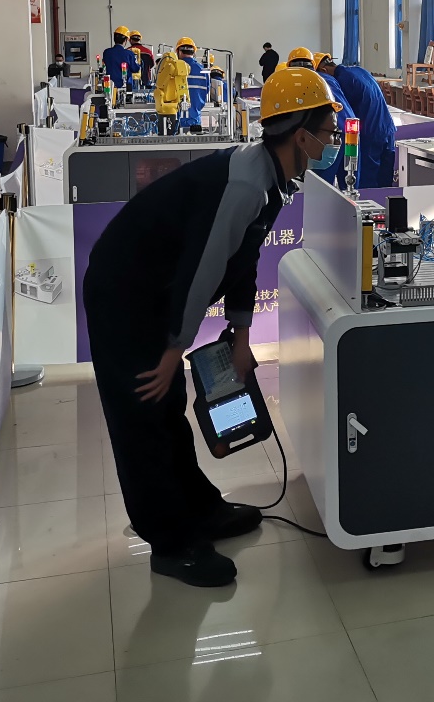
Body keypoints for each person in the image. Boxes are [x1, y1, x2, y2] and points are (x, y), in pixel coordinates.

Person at [83, 67, 341, 588]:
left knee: (168, 406)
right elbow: (200, 271)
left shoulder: (271, 178)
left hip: (155, 291)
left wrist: (241, 337)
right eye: (327, 131)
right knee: (142, 415)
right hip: (123, 293)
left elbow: (243, 258)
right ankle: (170, 543)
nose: (332, 142)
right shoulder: (246, 183)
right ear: (301, 136)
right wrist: (173, 348)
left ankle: (199, 510)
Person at [317, 51, 396, 189]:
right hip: (387, 130)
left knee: (367, 185)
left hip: (369, 135)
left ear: (323, 71)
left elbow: (344, 114)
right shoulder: (359, 70)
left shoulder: (342, 80)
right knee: (385, 184)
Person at [289, 48, 354, 187]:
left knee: (321, 185)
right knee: (349, 182)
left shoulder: (298, 83)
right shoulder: (328, 78)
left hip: (328, 136)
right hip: (350, 131)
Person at [153, 42, 189, 134]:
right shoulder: (171, 67)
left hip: (172, 105)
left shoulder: (172, 67)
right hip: (166, 105)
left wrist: (184, 98)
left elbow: (182, 85)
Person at [176, 38, 208, 132]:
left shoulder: (174, 67)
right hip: (195, 119)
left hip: (176, 119)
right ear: (194, 52)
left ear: (178, 51)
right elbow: (207, 91)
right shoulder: (202, 70)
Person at [102, 26, 140, 92]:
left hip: (109, 87)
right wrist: (139, 63)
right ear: (125, 40)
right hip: (125, 87)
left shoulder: (106, 52)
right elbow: (135, 69)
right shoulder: (129, 54)